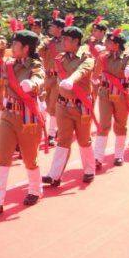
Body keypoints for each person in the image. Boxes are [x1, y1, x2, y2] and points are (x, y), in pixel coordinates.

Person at [0, 30, 46, 216]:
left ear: (26, 48)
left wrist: (32, 84)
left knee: (29, 157)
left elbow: (39, 77)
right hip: (8, 115)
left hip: (28, 116)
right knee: (2, 157)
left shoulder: (35, 65)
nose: (12, 48)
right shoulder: (9, 65)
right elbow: (4, 80)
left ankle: (35, 190)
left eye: (16, 45)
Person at [42, 22, 97, 186]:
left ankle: (89, 170)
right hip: (63, 104)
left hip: (81, 105)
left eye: (66, 39)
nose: (62, 42)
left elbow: (82, 71)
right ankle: (55, 175)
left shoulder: (87, 58)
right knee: (63, 139)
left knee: (83, 139)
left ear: (75, 41)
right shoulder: (60, 58)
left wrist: (70, 80)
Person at [93, 28, 129, 167]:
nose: (105, 43)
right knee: (103, 125)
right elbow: (96, 72)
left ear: (117, 44)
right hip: (105, 92)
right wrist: (95, 78)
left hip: (121, 93)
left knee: (120, 125)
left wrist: (126, 71)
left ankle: (118, 155)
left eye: (108, 42)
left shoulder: (128, 56)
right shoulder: (104, 57)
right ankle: (98, 158)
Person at [37, 10, 66, 146]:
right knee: (46, 105)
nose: (50, 29)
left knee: (53, 106)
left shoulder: (66, 42)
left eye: (53, 27)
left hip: (59, 78)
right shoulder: (47, 42)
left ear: (60, 29)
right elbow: (38, 51)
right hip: (48, 77)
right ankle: (56, 129)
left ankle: (51, 134)